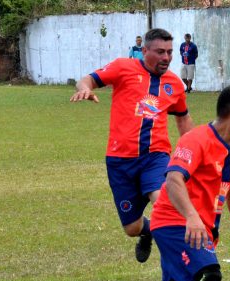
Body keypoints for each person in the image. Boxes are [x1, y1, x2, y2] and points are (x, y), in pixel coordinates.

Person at [108, 84, 230, 281]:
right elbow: (174, 179)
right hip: (174, 222)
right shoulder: (196, 139)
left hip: (198, 228)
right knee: (208, 275)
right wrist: (191, 216)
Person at [70, 28, 194, 263]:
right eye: (159, 52)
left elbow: (182, 117)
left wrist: (192, 155)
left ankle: (181, 266)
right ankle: (146, 232)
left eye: (169, 52)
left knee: (164, 203)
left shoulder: (174, 84)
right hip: (120, 161)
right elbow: (87, 79)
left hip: (155, 157)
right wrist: (84, 89)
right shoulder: (123, 67)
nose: (166, 57)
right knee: (131, 227)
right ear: (144, 51)